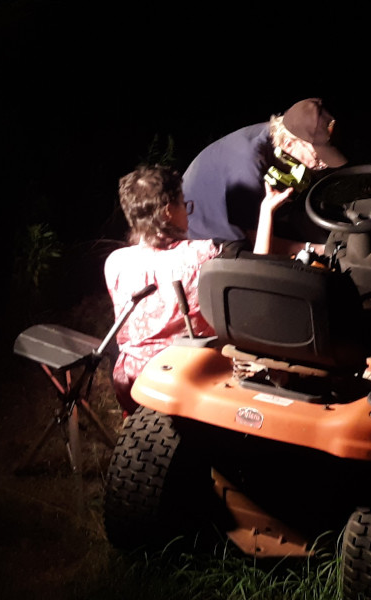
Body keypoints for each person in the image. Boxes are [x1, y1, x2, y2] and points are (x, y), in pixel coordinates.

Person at [105, 165, 290, 415]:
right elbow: (256, 273)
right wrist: (266, 211)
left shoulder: (115, 262)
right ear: (168, 212)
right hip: (188, 381)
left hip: (131, 381)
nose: (188, 212)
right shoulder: (203, 254)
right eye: (184, 204)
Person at [183, 98, 347, 252]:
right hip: (206, 239)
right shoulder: (249, 163)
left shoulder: (278, 139)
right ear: (289, 143)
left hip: (244, 221)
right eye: (317, 158)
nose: (322, 165)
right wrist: (319, 250)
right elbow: (259, 243)